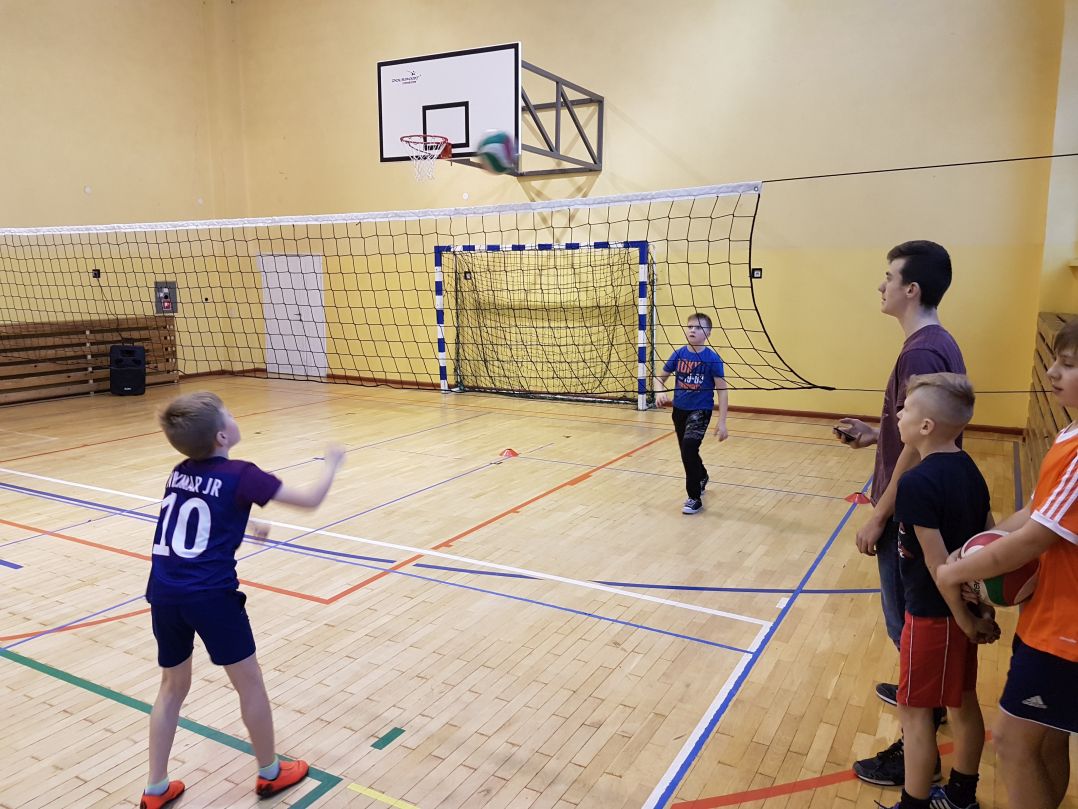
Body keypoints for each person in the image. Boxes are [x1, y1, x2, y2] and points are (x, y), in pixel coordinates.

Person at [140, 391, 345, 809]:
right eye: (230, 414)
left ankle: (155, 788)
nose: (236, 418)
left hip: (164, 593)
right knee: (249, 683)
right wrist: (332, 465)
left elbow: (201, 511)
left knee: (172, 687)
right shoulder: (243, 474)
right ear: (221, 436)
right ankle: (270, 772)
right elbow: (310, 500)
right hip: (212, 597)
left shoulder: (178, 473)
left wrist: (246, 523)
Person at [834, 240, 966, 786]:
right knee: (912, 626)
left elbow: (916, 450)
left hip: (908, 511)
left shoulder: (920, 353)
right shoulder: (933, 343)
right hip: (916, 499)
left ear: (911, 289)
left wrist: (879, 515)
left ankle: (920, 744)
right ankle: (923, 695)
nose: (880, 285)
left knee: (908, 626)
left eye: (888, 277)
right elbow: (920, 431)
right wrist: (876, 434)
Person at [937, 318, 1078, 809]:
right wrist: (975, 546)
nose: (1052, 372)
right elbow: (1036, 512)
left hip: (1065, 633)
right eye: (1055, 360)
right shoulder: (1069, 432)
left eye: (1068, 364)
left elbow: (1033, 539)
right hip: (1053, 622)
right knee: (1047, 739)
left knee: (1014, 745)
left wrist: (954, 571)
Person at [880, 373, 998, 809]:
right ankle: (962, 796)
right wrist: (982, 606)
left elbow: (938, 564)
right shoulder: (970, 469)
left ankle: (914, 803)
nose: (898, 414)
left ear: (926, 426)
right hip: (956, 613)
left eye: (907, 409)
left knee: (915, 712)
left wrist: (966, 619)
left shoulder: (916, 483)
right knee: (963, 701)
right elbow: (989, 542)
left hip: (934, 616)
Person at [655, 312, 729, 514]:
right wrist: (660, 391)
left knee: (688, 449)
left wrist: (722, 422)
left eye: (698, 327)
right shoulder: (678, 354)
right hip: (679, 410)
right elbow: (659, 378)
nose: (693, 330)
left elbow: (722, 391)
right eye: (690, 327)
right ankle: (702, 474)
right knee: (687, 452)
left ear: (708, 333)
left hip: (701, 411)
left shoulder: (712, 359)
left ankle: (694, 497)